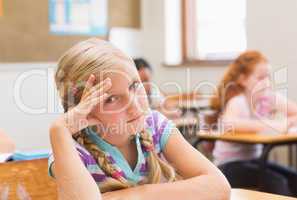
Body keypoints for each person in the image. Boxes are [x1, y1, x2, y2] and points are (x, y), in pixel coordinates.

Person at [48, 38, 231, 200]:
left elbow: (219, 186)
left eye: (135, 85)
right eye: (110, 99)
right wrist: (59, 129)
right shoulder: (72, 150)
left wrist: (136, 195)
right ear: (83, 109)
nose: (134, 106)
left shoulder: (155, 126)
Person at [209, 50, 297, 196]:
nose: (266, 82)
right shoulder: (238, 101)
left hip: (255, 161)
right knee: (278, 182)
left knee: (296, 179)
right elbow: (228, 123)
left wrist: (285, 123)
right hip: (228, 166)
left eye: (268, 77)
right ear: (243, 79)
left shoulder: (267, 99)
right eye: (260, 78)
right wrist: (273, 125)